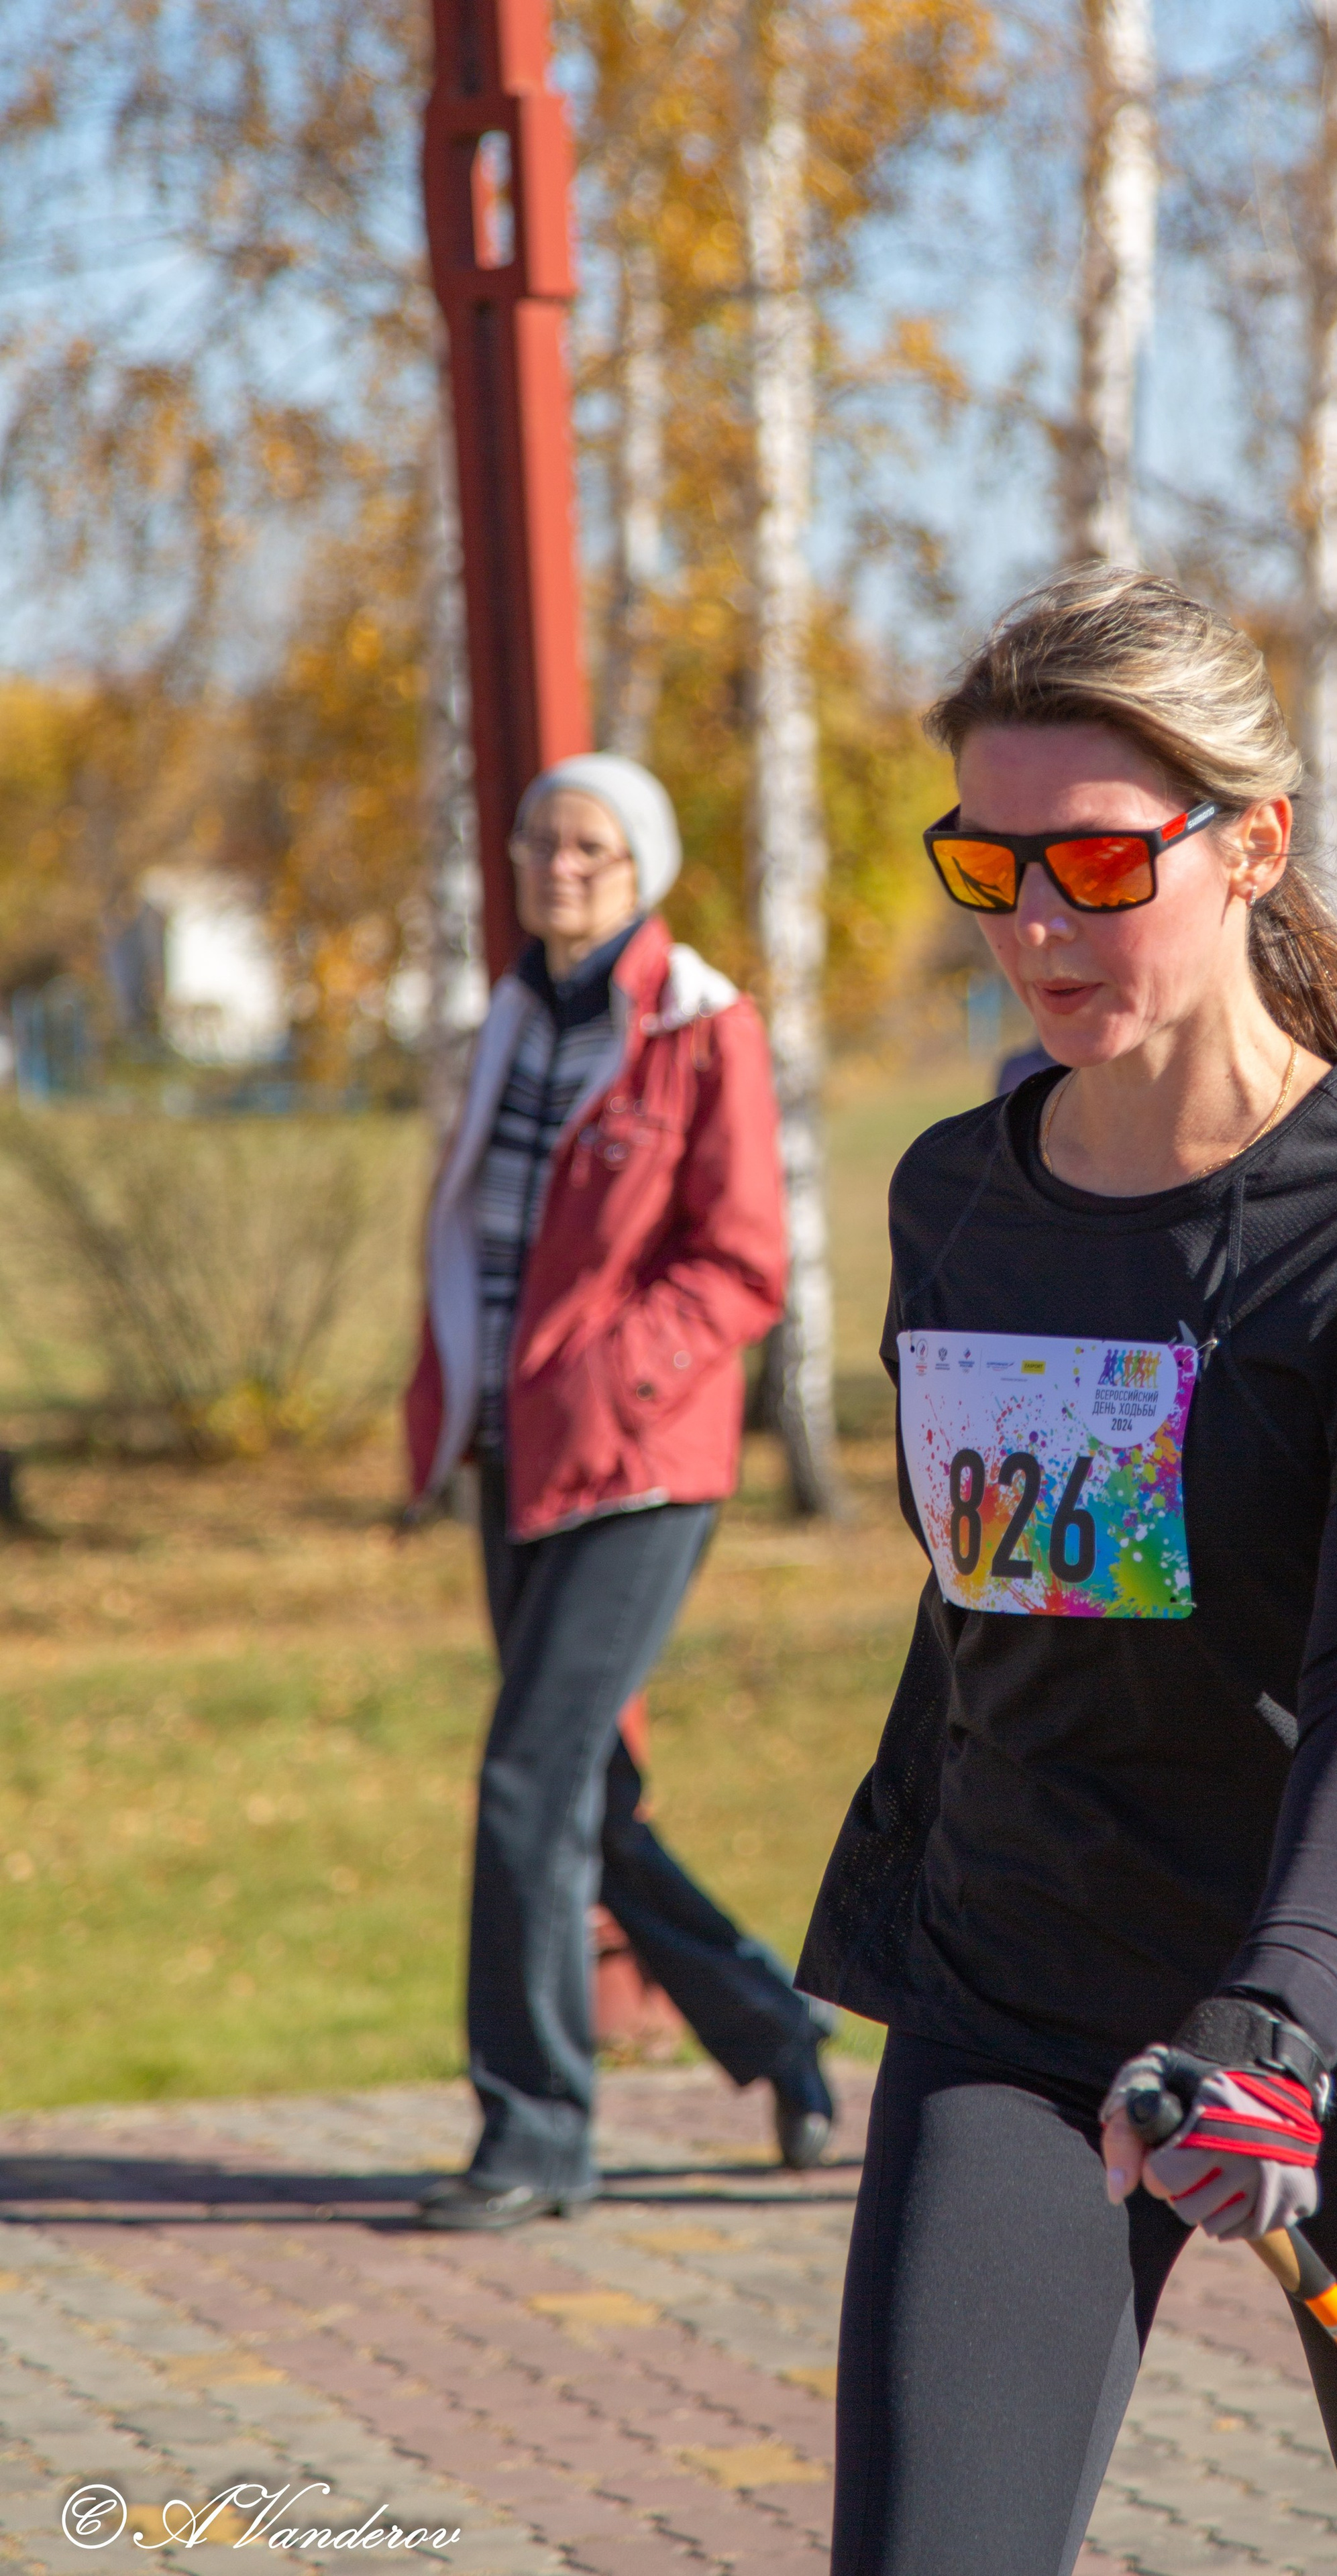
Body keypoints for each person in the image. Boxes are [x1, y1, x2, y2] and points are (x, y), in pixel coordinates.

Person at [796, 569, 1337, 2576]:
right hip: (1016, 1993)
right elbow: (984, 1611)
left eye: (1094, 861)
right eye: (988, 863)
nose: (1033, 924)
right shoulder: (951, 1200)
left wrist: (1277, 2014)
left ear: (1250, 846)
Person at [405, 752, 836, 2231]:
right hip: (511, 1455)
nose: (560, 865)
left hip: (640, 1467)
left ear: (641, 867)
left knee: (528, 1782)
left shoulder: (702, 1027)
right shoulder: (511, 1018)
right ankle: (774, 2027)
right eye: (540, 841)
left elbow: (743, 1261)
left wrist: (615, 1375)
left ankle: (535, 2130)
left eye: (590, 845)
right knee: (579, 1790)